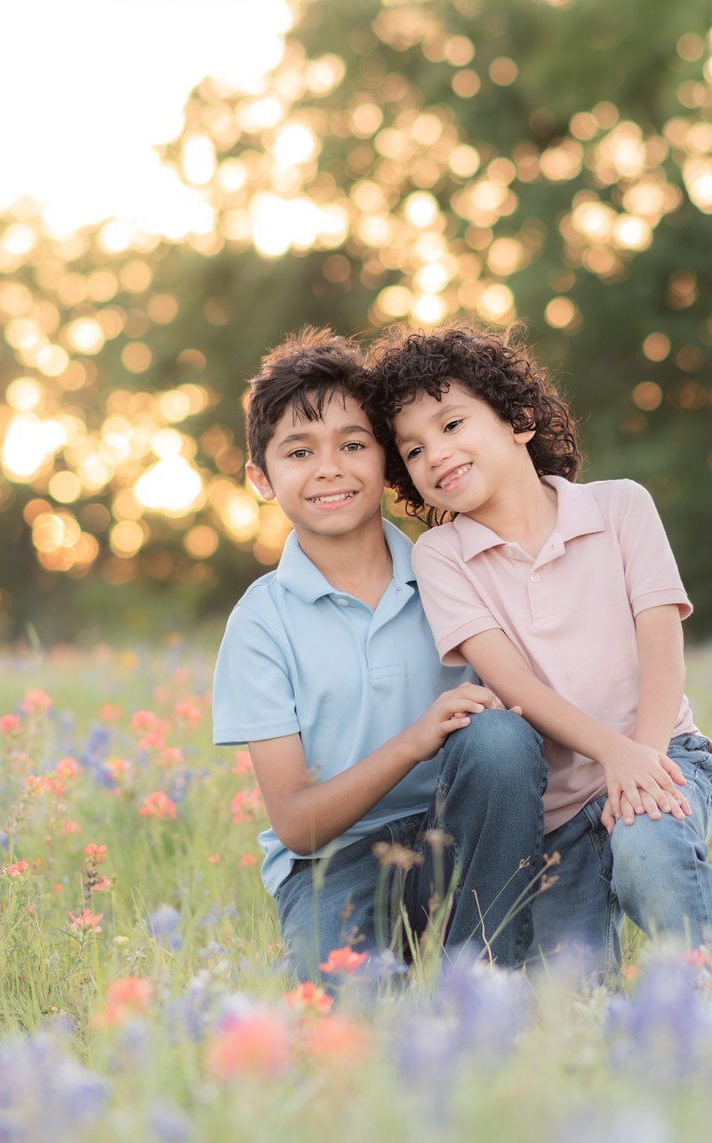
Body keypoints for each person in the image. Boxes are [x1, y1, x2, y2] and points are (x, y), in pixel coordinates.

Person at [366, 323, 712, 969]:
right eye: (413, 449)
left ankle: (708, 1003)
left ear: (519, 420)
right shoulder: (442, 555)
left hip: (659, 751)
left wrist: (638, 762)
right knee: (570, 995)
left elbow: (662, 643)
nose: (436, 454)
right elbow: (515, 686)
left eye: (451, 425)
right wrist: (609, 755)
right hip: (556, 812)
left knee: (649, 851)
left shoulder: (620, 507)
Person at [211, 328, 548, 983]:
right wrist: (416, 739)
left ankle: (487, 981)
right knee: (353, 1018)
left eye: (354, 444)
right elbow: (297, 824)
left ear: (386, 459)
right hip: (331, 862)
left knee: (503, 736)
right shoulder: (260, 623)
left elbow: (518, 735)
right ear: (260, 476)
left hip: (458, 835)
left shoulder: (452, 569)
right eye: (299, 451)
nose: (330, 467)